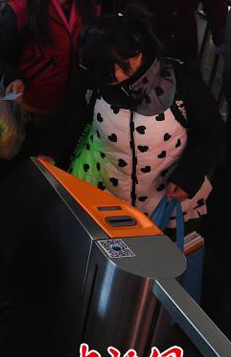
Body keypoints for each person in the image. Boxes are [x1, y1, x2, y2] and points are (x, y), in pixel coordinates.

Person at [40, 12, 222, 223]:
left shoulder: (180, 81)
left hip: (162, 201)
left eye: (114, 68)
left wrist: (189, 175)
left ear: (137, 56)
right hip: (99, 189)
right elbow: (69, 117)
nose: (108, 76)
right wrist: (49, 153)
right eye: (101, 69)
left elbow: (210, 130)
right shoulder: (93, 77)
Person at [0, 0, 100, 150]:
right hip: (33, 101)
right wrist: (12, 77)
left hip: (75, 97)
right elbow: (2, 52)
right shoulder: (22, 6)